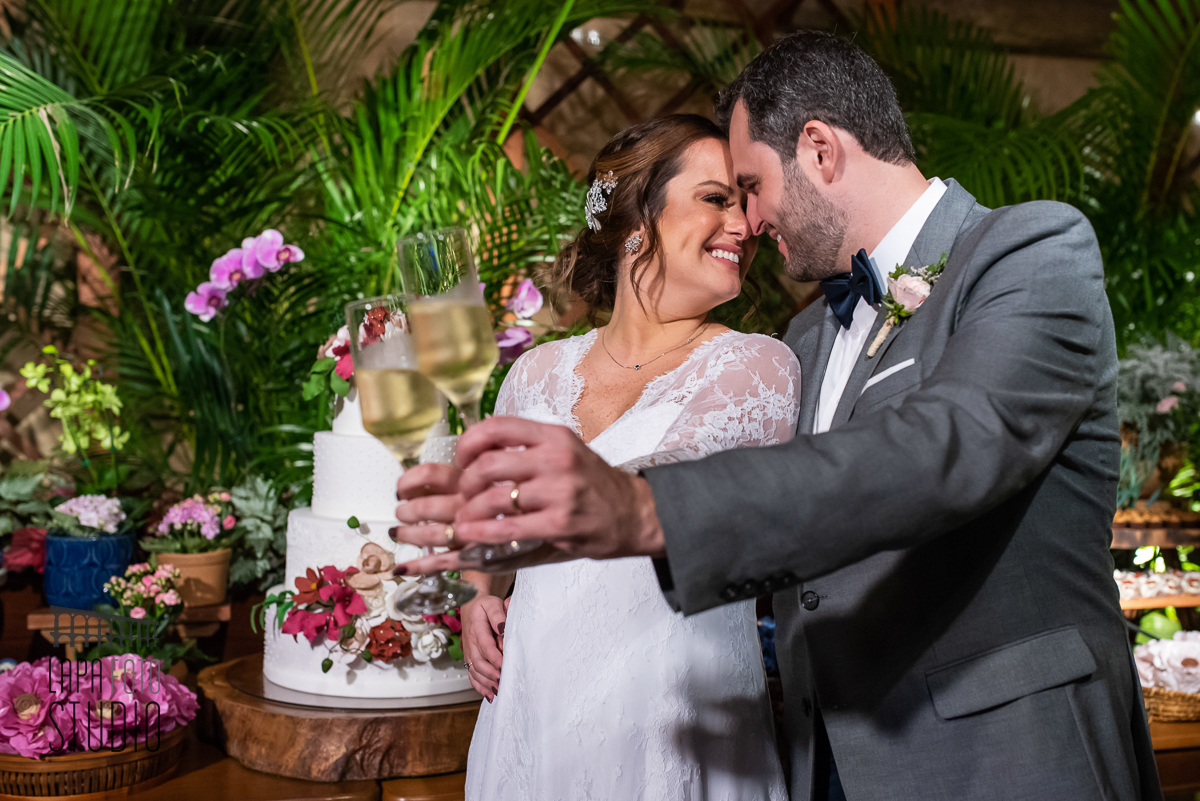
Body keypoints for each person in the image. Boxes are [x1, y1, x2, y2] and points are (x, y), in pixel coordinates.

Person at [394, 32, 1162, 801]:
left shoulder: (1029, 251)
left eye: (752, 186)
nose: (751, 222)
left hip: (1002, 761)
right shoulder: (808, 337)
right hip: (820, 759)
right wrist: (485, 582)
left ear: (820, 150)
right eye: (724, 196)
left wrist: (637, 504)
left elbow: (943, 450)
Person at [411, 113, 797, 800]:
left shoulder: (757, 368)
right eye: (716, 198)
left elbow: (694, 503)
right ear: (637, 223)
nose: (744, 223)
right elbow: (491, 519)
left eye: (743, 200)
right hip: (535, 706)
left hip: (672, 717)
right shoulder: (532, 374)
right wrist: (479, 596)